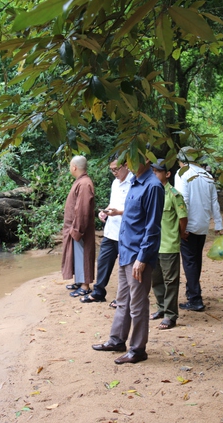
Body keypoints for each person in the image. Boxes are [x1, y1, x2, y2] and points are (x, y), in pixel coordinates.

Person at [92, 158, 164, 364]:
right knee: (122, 300)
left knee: (138, 303)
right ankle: (117, 340)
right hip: (125, 252)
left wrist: (142, 258)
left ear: (146, 159)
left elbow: (152, 227)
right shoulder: (135, 182)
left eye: (133, 158)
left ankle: (138, 349)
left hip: (138, 255)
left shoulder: (153, 186)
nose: (129, 163)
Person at [173, 146, 223, 312]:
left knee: (189, 262)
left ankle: (195, 298)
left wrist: (183, 226)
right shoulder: (206, 175)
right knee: (195, 260)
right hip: (202, 224)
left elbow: (183, 201)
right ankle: (192, 292)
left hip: (189, 224)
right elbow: (214, 201)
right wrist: (218, 224)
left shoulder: (182, 174)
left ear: (181, 159)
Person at [80, 156, 133, 304]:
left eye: (117, 169)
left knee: (125, 267)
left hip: (126, 232)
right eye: (111, 170)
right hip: (111, 231)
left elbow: (135, 208)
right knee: (103, 261)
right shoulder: (115, 183)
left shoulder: (134, 183)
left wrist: (119, 212)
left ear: (126, 165)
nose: (114, 173)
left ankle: (124, 298)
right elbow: (113, 203)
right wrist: (105, 211)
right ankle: (98, 292)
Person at [149, 159, 188, 330]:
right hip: (153, 244)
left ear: (167, 174)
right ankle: (161, 308)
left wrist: (179, 234)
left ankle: (171, 316)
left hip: (169, 244)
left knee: (170, 281)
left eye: (157, 171)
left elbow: (183, 217)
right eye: (153, 171)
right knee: (155, 279)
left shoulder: (174, 194)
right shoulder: (151, 192)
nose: (154, 174)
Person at [61, 155, 96, 297]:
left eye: (70, 166)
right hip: (74, 227)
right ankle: (79, 281)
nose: (70, 168)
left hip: (80, 228)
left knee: (83, 255)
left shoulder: (84, 184)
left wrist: (77, 230)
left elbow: (82, 210)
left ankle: (85, 286)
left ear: (74, 167)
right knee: (76, 255)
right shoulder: (81, 182)